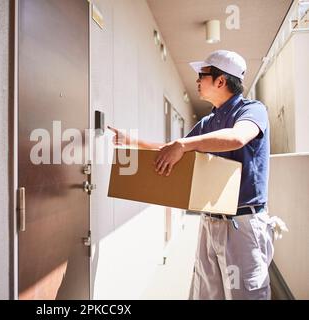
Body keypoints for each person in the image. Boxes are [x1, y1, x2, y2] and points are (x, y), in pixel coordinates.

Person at [108, 50, 287, 300]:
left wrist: (184, 145)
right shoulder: (209, 122)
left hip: (243, 224)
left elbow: (237, 138)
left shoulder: (252, 110)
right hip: (210, 222)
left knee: (246, 295)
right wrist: (131, 141)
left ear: (221, 81)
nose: (197, 81)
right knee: (207, 293)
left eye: (201, 75)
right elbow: (174, 148)